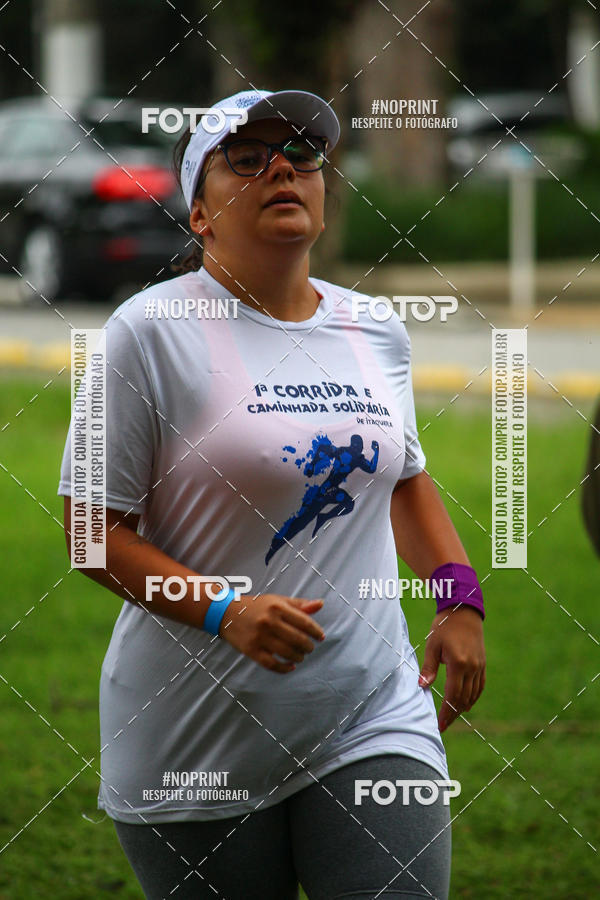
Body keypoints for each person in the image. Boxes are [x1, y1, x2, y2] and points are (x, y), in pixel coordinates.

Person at [59, 88, 486, 900]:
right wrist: (227, 610)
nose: (282, 168)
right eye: (247, 159)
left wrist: (459, 600)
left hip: (371, 710)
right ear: (199, 214)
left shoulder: (375, 330)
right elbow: (89, 534)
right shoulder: (149, 333)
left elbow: (402, 476)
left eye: (301, 154)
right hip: (193, 737)